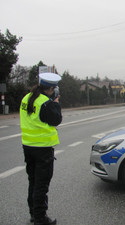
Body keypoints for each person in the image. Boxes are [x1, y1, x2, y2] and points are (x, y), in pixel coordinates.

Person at [20, 72, 62, 225]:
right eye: (55, 89)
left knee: (33, 181)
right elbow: (56, 120)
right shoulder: (46, 103)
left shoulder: (27, 98)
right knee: (41, 185)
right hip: (42, 149)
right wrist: (56, 103)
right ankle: (40, 218)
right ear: (51, 89)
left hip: (28, 146)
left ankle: (33, 213)